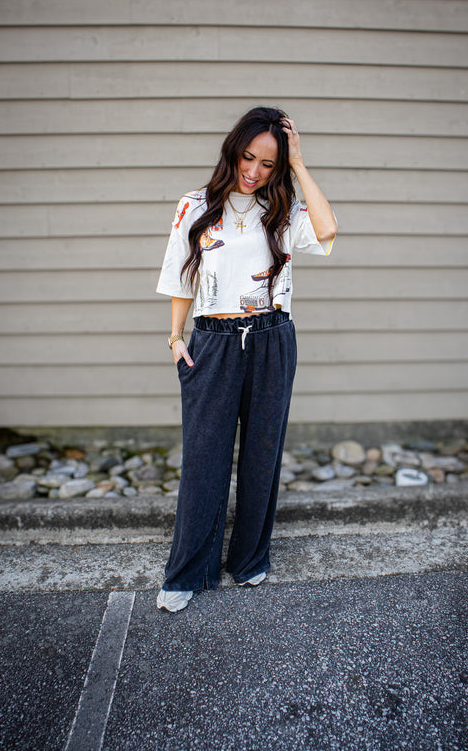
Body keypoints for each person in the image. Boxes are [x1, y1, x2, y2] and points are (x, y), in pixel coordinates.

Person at [155, 106, 337, 613]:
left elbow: (327, 230)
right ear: (233, 151)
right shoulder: (195, 206)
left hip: (272, 339)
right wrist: (175, 338)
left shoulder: (282, 211)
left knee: (262, 456)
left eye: (268, 164)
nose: (254, 171)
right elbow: (180, 277)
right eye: (248, 157)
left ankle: (250, 559)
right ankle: (189, 571)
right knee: (204, 460)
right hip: (212, 342)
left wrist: (298, 163)